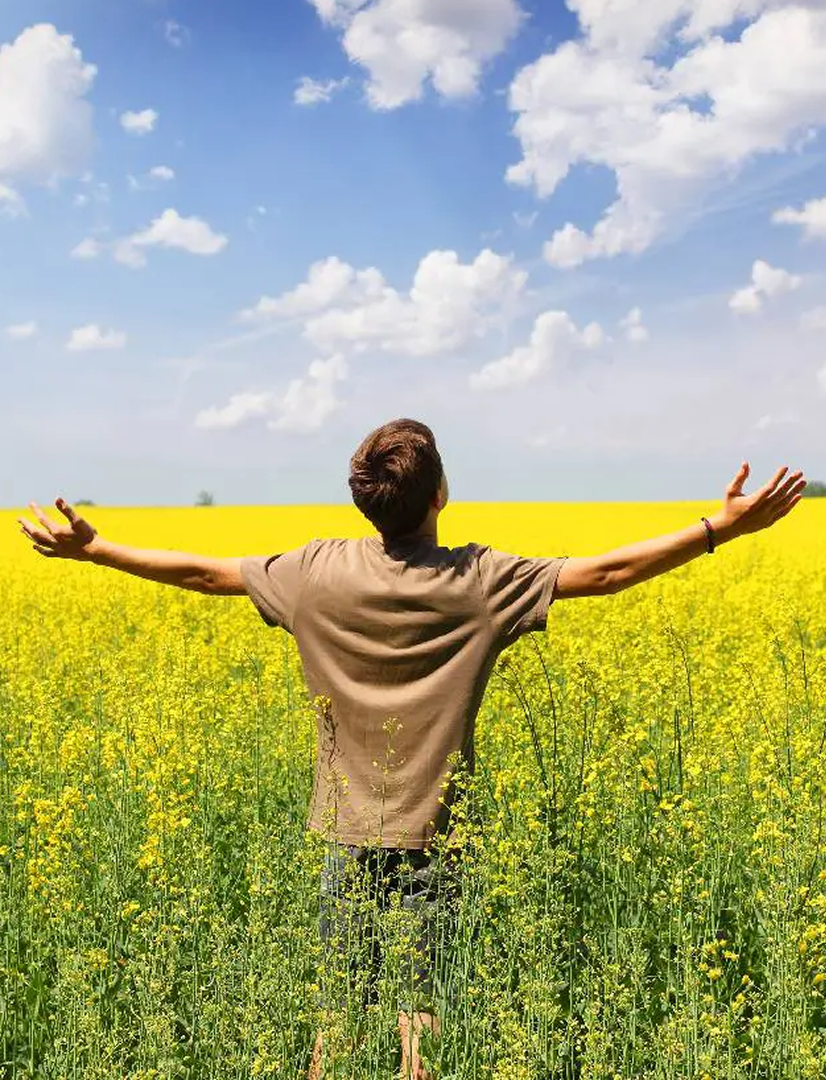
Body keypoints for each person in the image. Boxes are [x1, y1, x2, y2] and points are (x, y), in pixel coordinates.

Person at [17, 419, 806, 1080]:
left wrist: (98, 551)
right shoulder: (478, 581)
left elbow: (202, 575)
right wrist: (720, 528)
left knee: (337, 1018)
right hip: (438, 836)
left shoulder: (312, 574)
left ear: (364, 503)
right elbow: (607, 573)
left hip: (345, 833)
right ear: (440, 497)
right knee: (420, 1022)